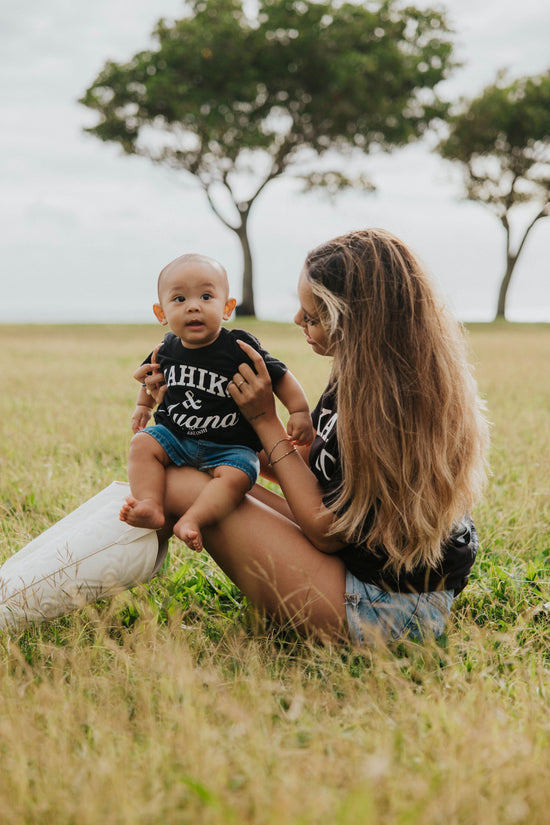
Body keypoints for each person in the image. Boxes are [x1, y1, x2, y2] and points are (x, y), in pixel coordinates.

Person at [139, 229, 489, 644]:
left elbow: (325, 529)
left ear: (355, 320)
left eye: (314, 315)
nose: (298, 320)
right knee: (180, 468)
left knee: (180, 485)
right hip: (364, 571)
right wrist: (195, 422)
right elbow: (314, 472)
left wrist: (266, 419)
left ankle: (57, 584)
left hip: (386, 606)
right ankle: (60, 576)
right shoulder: (369, 378)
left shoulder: (392, 404)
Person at [119, 253, 313, 552]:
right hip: (177, 437)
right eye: (180, 299)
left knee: (239, 476)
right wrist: (143, 406)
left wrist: (299, 411)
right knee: (142, 445)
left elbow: (280, 375)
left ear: (226, 308)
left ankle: (192, 520)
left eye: (206, 296)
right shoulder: (167, 347)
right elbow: (150, 376)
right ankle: (150, 505)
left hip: (229, 447)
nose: (193, 306)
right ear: (161, 313)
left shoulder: (237, 346)